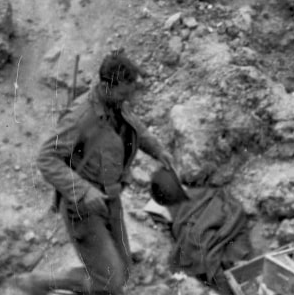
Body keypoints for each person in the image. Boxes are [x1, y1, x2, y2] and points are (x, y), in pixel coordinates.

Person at [14, 51, 180, 295]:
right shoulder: (80, 116)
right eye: (124, 93)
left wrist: (158, 151)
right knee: (111, 283)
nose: (128, 99)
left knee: (122, 272)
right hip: (82, 207)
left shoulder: (116, 104)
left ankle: (55, 282)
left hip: (110, 199)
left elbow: (134, 127)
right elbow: (46, 158)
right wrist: (83, 191)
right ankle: (44, 283)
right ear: (105, 86)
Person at [150, 168, 254, 292]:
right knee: (211, 251)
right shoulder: (194, 194)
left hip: (211, 230)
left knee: (203, 249)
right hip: (217, 231)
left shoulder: (182, 200)